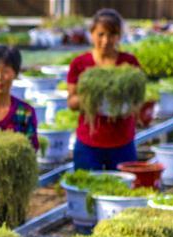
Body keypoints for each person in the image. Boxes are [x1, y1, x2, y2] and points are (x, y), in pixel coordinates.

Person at [66, 9, 143, 170]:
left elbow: (138, 101)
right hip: (89, 143)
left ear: (119, 36)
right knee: (86, 190)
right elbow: (72, 102)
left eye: (112, 34)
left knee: (122, 191)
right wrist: (92, 98)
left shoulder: (128, 64)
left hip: (122, 143)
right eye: (100, 34)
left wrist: (125, 106)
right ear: (92, 33)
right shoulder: (80, 64)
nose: (106, 40)